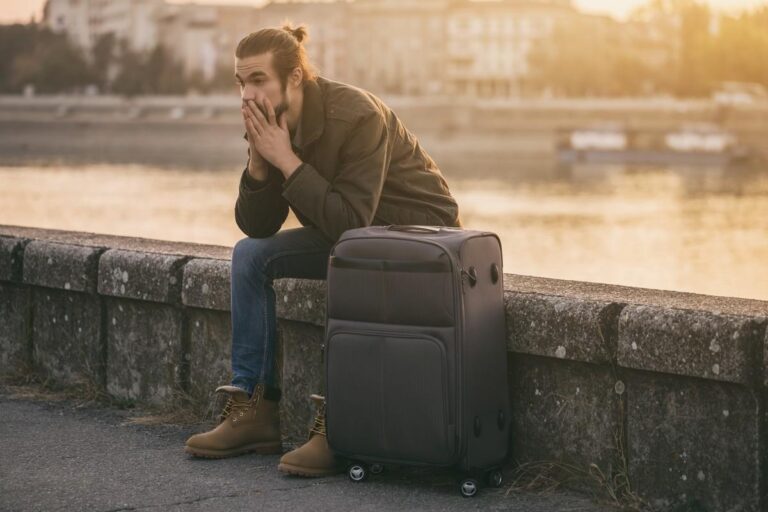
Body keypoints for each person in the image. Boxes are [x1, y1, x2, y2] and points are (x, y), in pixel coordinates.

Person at [184, 23, 462, 477]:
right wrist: (259, 160)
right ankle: (254, 409)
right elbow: (258, 225)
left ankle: (341, 423)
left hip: (422, 240)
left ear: (294, 77)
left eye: (258, 80)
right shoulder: (272, 122)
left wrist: (286, 159)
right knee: (249, 256)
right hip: (354, 237)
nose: (246, 94)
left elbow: (353, 222)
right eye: (240, 82)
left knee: (354, 261)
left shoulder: (357, 115)